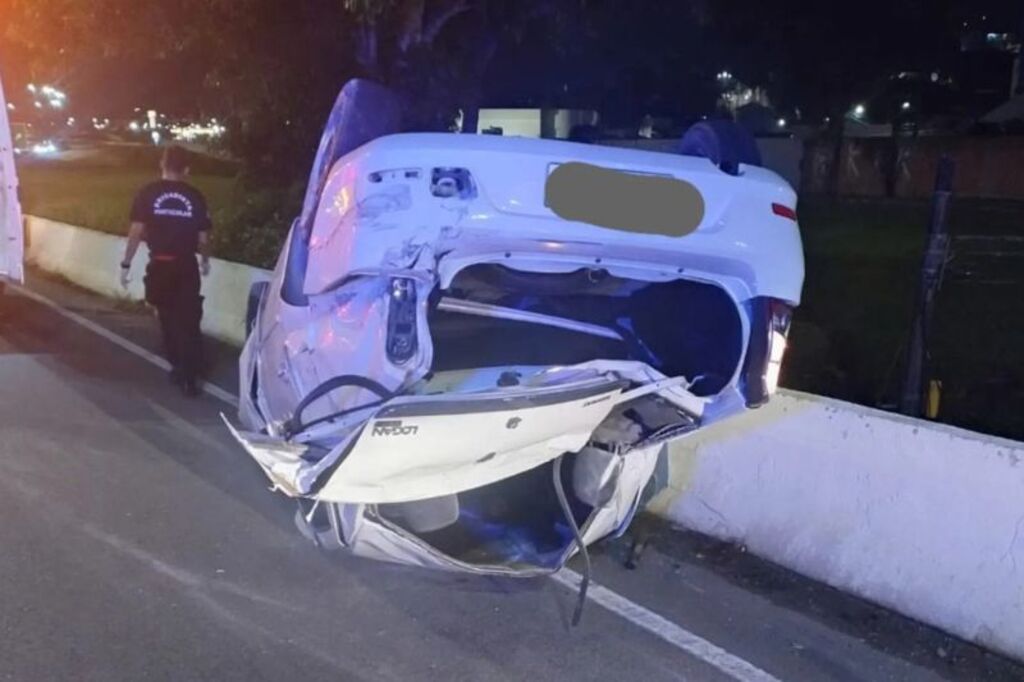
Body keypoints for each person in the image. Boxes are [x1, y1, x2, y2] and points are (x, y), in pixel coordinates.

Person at [120, 145, 211, 397]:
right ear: (187, 169)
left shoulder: (147, 193)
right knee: (189, 319)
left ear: (162, 164)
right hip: (186, 265)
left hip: (160, 264)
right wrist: (205, 261)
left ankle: (177, 366)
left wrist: (126, 264)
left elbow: (136, 232)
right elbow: (203, 238)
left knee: (167, 317)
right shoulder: (195, 196)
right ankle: (189, 376)